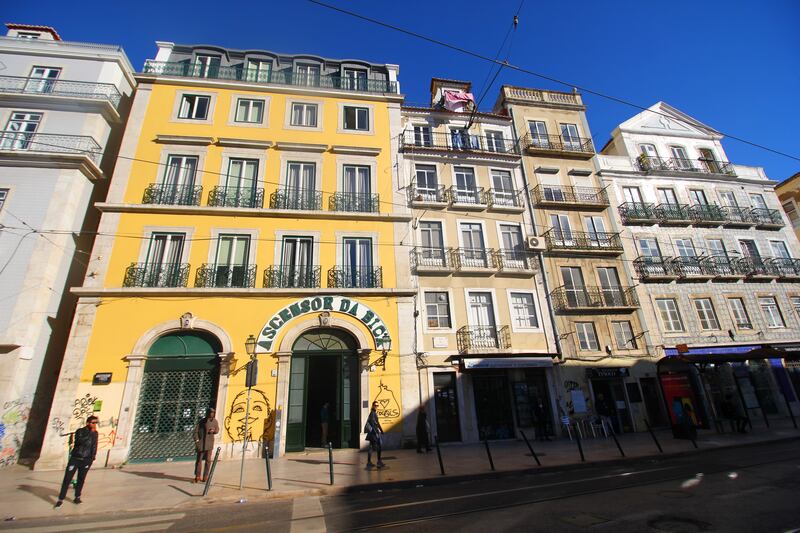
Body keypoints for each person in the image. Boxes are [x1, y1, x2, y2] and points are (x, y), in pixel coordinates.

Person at [55, 415, 98, 507]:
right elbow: (79, 441)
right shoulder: (80, 431)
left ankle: (77, 497)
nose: (95, 425)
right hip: (76, 458)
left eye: (96, 423)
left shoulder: (95, 433)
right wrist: (90, 433)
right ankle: (60, 499)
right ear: (88, 423)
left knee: (81, 479)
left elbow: (94, 446)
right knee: (67, 479)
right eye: (93, 423)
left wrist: (92, 457)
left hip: (86, 459)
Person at [194, 407, 219, 483]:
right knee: (199, 460)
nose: (212, 414)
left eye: (213, 413)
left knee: (208, 460)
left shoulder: (215, 421)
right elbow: (195, 431)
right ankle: (197, 476)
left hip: (209, 443)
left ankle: (205, 476)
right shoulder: (202, 421)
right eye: (211, 413)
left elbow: (217, 429)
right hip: (201, 443)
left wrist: (214, 431)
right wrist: (197, 440)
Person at [364, 401, 385, 469]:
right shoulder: (372, 413)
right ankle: (378, 462)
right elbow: (373, 424)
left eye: (377, 405)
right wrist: (377, 433)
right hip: (374, 433)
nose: (376, 406)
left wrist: (381, 430)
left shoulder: (374, 413)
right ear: (373, 406)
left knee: (371, 447)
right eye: (375, 405)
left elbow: (377, 423)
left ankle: (369, 462)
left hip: (373, 433)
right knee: (379, 446)